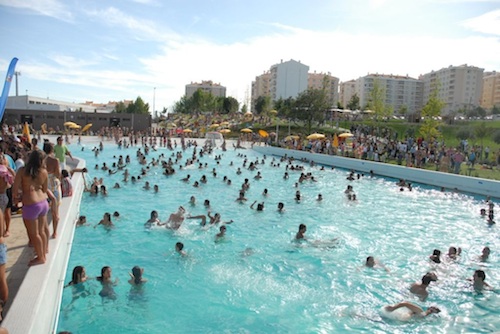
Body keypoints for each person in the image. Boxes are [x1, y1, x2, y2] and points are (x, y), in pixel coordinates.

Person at [12, 149, 49, 266]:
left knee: (34, 234)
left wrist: (20, 196)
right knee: (41, 231)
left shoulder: (22, 171)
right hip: (43, 202)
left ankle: (41, 257)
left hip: (31, 204)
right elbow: (44, 189)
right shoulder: (44, 172)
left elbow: (14, 191)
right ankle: (44, 250)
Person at [43, 142, 62, 238]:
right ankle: (54, 232)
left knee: (43, 214)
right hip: (53, 185)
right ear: (52, 150)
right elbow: (58, 174)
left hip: (44, 187)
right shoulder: (55, 160)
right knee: (55, 212)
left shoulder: (41, 160)